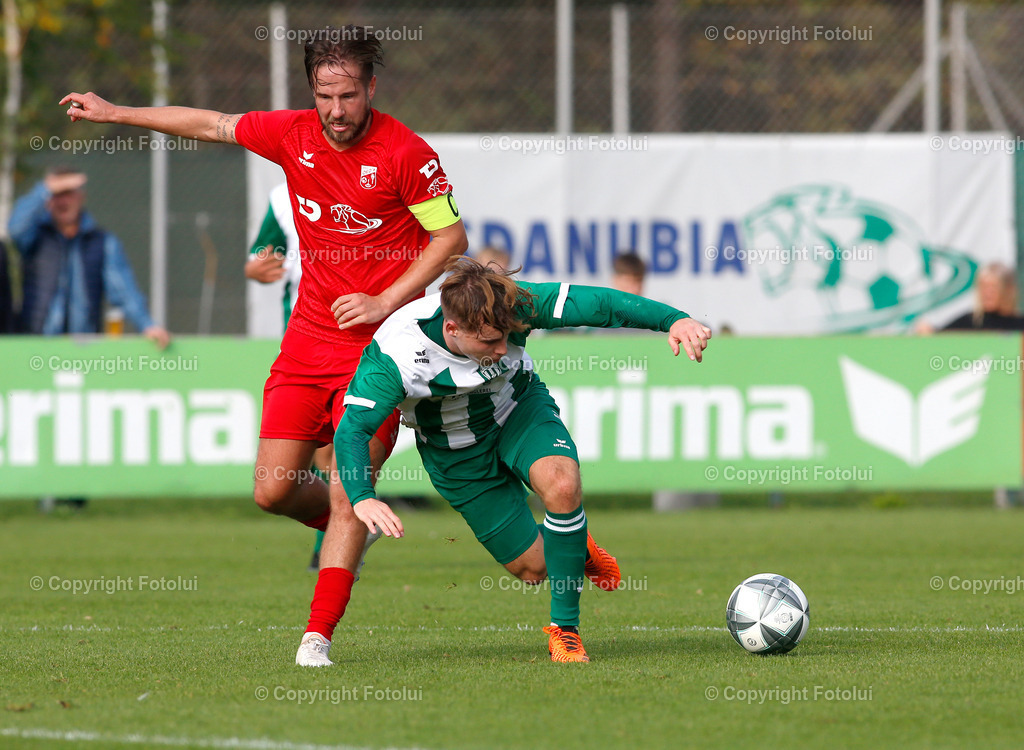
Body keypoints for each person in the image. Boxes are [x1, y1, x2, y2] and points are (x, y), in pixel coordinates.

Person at [61, 25, 468, 667]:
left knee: (348, 490)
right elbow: (211, 123)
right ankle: (349, 525)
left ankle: (317, 637)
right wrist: (116, 113)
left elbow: (451, 239)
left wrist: (385, 300)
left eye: (348, 95)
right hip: (306, 346)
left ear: (371, 88)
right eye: (324, 96)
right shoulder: (293, 135)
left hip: (380, 354)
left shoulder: (406, 153)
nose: (336, 110)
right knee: (273, 491)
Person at [334, 257, 712, 662]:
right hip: (455, 453)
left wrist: (673, 320)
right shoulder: (396, 354)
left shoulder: (514, 303)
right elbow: (352, 430)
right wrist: (362, 497)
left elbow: (601, 303)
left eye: (505, 337)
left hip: (517, 410)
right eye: (488, 342)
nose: (502, 349)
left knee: (562, 484)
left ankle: (565, 631)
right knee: (533, 569)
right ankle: (575, 543)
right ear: (452, 329)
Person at [9, 166, 169, 346]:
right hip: (36, 340)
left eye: (68, 193)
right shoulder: (36, 237)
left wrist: (147, 324)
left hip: (83, 344)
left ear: (81, 196)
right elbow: (15, 228)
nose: (62, 201)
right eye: (57, 194)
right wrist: (44, 189)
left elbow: (123, 290)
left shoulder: (102, 241)